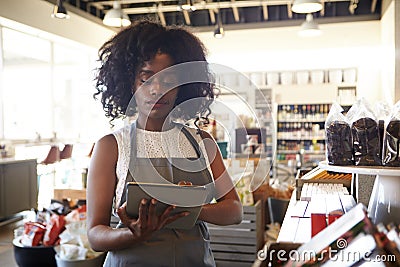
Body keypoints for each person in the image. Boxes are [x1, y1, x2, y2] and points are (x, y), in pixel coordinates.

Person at [87, 20, 243, 267]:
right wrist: (133, 233)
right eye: (146, 79)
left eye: (168, 80)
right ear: (130, 83)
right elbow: (95, 234)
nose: (157, 89)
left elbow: (234, 210)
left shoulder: (202, 142)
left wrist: (190, 209)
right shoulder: (111, 146)